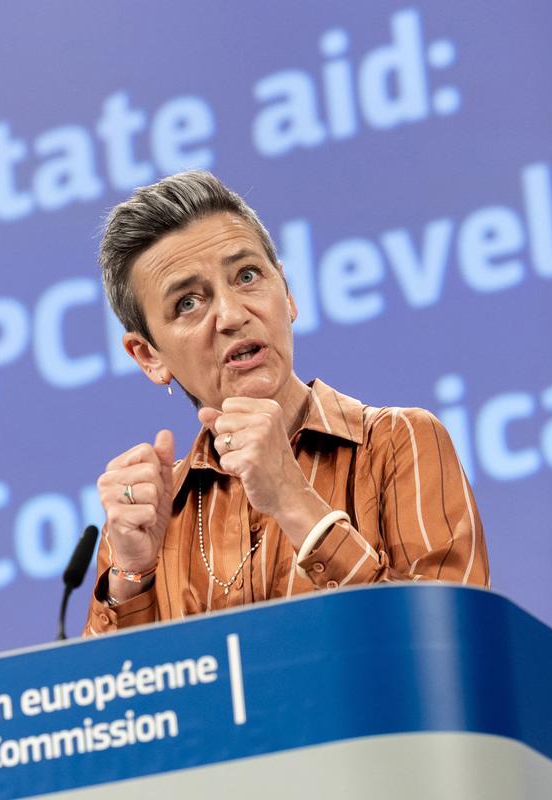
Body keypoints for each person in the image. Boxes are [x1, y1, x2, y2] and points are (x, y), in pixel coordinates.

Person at [84, 171, 489, 635]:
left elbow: (450, 645)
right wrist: (131, 579)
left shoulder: (398, 444)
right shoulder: (149, 516)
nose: (233, 315)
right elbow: (114, 703)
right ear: (149, 356)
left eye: (248, 276)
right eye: (188, 303)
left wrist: (295, 502)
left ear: (288, 293)